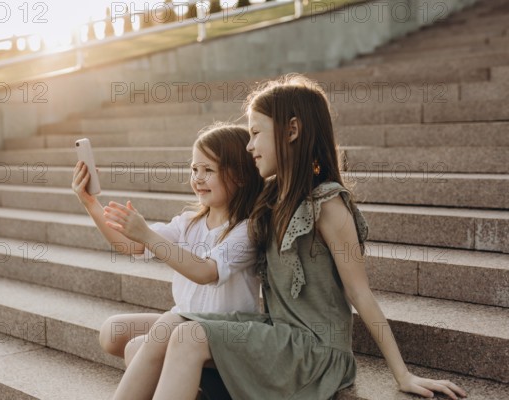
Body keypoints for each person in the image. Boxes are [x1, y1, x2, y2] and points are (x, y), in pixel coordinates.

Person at [111, 74, 469, 400]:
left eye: (255, 133)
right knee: (170, 325)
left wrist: (402, 374)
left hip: (315, 352)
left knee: (188, 336)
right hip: (275, 334)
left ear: (291, 130)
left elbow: (360, 292)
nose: (249, 146)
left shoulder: (327, 206)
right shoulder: (269, 199)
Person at [71, 123, 263, 369]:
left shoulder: (246, 229)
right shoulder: (188, 223)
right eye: (194, 169)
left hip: (221, 333)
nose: (198, 178)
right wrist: (90, 203)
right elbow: (132, 246)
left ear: (241, 175)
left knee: (137, 347)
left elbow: (206, 272)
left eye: (208, 169)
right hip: (184, 319)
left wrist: (148, 235)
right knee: (112, 332)